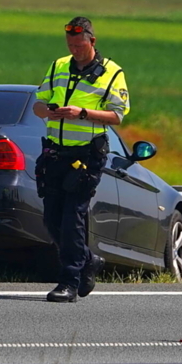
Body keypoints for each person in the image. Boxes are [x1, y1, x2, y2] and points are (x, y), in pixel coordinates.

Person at [32, 17, 130, 303]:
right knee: (52, 219)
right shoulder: (58, 66)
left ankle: (69, 281)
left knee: (72, 217)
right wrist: (46, 111)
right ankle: (89, 260)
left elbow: (118, 115)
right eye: (70, 45)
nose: (75, 49)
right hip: (54, 153)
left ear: (92, 41)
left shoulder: (111, 72)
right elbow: (38, 102)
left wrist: (82, 113)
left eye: (80, 44)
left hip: (86, 156)